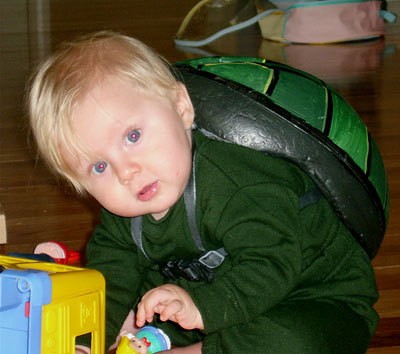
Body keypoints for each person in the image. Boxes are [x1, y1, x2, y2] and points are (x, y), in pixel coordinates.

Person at [28, 31, 379, 354]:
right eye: (99, 167)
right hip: (215, 299)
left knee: (290, 341)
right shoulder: (123, 215)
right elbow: (112, 277)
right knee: (132, 294)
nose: (126, 172)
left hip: (313, 298)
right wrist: (90, 338)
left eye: (132, 136)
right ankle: (161, 335)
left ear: (180, 108)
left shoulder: (240, 183)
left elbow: (271, 264)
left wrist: (201, 308)